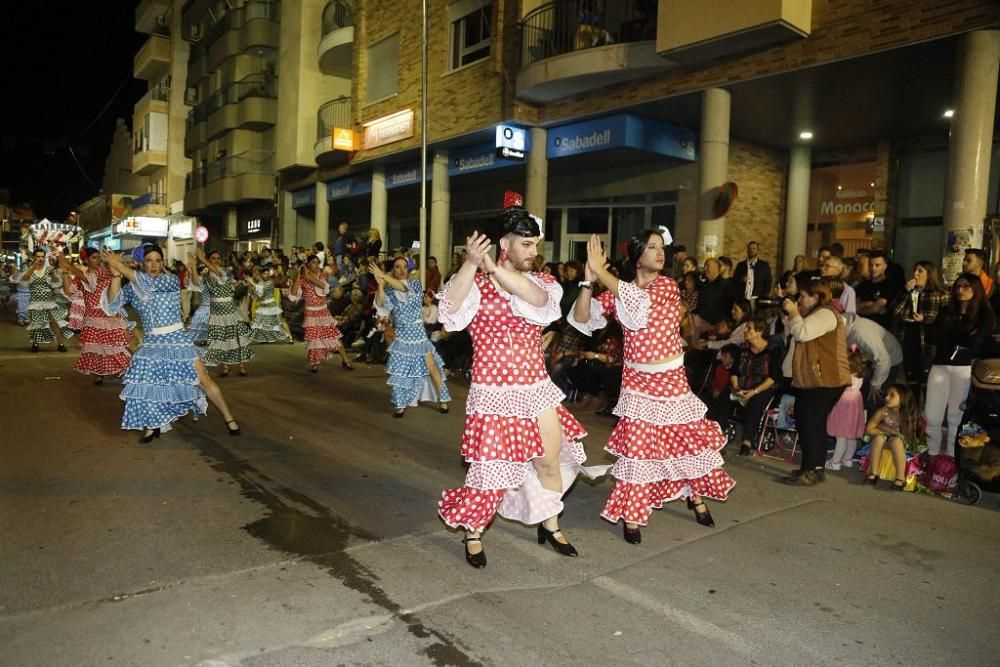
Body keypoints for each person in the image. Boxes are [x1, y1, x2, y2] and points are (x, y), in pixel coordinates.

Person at [437, 208, 606, 568]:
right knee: (490, 473)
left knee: (548, 461)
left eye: (535, 244)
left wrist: (494, 269)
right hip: (494, 395)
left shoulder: (543, 282)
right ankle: (474, 532)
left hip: (536, 389)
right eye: (526, 244)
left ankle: (550, 525)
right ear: (504, 243)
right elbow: (448, 311)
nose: (533, 251)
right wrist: (470, 264)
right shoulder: (476, 285)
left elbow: (539, 301)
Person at [572, 230, 733, 544]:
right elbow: (581, 318)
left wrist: (602, 272)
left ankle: (695, 495)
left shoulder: (667, 287)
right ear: (637, 256)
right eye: (652, 247)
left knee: (685, 442)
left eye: (662, 247)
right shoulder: (621, 291)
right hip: (637, 384)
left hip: (670, 380)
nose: (660, 253)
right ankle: (632, 514)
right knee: (639, 451)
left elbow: (638, 301)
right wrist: (588, 280)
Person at [100, 245, 241, 443]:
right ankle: (151, 427)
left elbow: (146, 282)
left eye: (158, 260)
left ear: (163, 262)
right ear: (143, 263)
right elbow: (112, 305)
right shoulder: (133, 286)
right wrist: (115, 274)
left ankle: (229, 418)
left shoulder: (170, 280)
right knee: (148, 386)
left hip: (177, 340)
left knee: (203, 380)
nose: (154, 265)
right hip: (151, 343)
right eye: (149, 260)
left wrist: (116, 263)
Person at [781, 278, 850, 485]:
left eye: (803, 296)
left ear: (818, 297)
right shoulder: (817, 314)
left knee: (809, 422)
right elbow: (796, 337)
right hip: (817, 379)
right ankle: (813, 468)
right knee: (813, 423)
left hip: (826, 379)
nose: (799, 300)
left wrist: (793, 312)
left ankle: (810, 471)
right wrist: (791, 320)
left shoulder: (827, 313)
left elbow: (803, 333)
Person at [370, 256, 451, 417]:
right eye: (397, 267)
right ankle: (400, 404)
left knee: (431, 367)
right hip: (402, 336)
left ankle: (443, 398)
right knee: (399, 372)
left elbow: (403, 288)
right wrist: (380, 284)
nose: (401, 270)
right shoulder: (389, 290)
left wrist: (383, 276)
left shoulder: (415, 284)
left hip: (418, 335)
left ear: (408, 270)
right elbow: (380, 304)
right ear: (393, 269)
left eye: (404, 267)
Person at [924, 274, 995, 456]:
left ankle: (951, 459)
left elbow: (975, 343)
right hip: (940, 365)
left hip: (964, 368)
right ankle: (932, 456)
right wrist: (959, 337)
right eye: (958, 286)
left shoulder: (984, 315)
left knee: (955, 417)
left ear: (976, 289)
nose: (960, 290)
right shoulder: (947, 311)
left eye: (966, 286)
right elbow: (932, 337)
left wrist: (948, 335)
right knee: (932, 416)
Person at [57, 248, 132, 384]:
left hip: (109, 315)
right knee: (97, 348)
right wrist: (65, 271)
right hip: (92, 318)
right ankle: (100, 373)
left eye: (98, 257)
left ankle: (131, 372)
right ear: (86, 260)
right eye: (94, 257)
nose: (98, 260)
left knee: (117, 347)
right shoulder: (81, 276)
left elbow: (90, 280)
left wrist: (69, 266)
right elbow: (69, 291)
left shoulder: (103, 272)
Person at [288, 256, 355, 373]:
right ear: (308, 264)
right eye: (313, 262)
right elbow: (293, 294)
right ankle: (314, 363)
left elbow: (324, 288)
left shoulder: (323, 276)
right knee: (314, 338)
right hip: (311, 312)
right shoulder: (303, 279)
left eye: (318, 262)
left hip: (323, 311)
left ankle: (345, 359)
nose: (316, 265)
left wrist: (307, 276)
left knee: (333, 335)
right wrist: (299, 275)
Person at [197, 249, 254, 377]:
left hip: (229, 309)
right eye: (213, 258)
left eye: (218, 258)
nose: (216, 260)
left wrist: (202, 259)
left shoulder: (225, 271)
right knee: (220, 338)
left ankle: (241, 365)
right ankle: (225, 366)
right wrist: (192, 265)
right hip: (216, 311)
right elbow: (196, 284)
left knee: (237, 337)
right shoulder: (206, 275)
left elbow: (218, 273)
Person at [891, 261, 948, 388]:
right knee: (911, 380)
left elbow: (945, 320)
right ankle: (913, 405)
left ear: (929, 275)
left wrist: (925, 318)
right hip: (909, 338)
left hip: (928, 342)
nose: (915, 274)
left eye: (920, 271)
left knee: (927, 381)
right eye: (915, 270)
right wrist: (906, 292)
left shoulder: (940, 295)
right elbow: (896, 311)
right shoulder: (910, 292)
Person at [732, 317, 783, 456]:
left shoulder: (772, 350)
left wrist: (753, 391)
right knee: (725, 396)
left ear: (759, 332)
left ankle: (747, 442)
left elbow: (773, 377)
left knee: (755, 402)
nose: (745, 331)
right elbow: (735, 371)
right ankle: (714, 434)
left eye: (749, 328)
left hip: (763, 388)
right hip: (742, 385)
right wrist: (736, 387)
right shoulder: (743, 349)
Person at [863, 384, 922, 490]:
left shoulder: (908, 414)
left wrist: (883, 427)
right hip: (886, 440)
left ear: (903, 398)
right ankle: (873, 472)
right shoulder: (882, 411)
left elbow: (906, 435)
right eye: (886, 395)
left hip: (903, 443)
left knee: (896, 442)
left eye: (892, 395)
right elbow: (869, 429)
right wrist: (888, 430)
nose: (886, 397)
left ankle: (900, 478)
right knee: (878, 438)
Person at [825, 347, 871, 471]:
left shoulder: (845, 375)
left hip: (844, 403)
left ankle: (835, 462)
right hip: (856, 402)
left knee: (841, 435)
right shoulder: (862, 375)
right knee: (852, 434)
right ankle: (848, 459)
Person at [21, 248, 72, 353]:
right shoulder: (30, 269)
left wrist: (52, 274)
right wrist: (33, 268)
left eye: (42, 256)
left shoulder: (48, 269)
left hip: (49, 301)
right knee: (37, 323)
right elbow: (24, 279)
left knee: (54, 322)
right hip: (35, 302)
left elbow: (56, 282)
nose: (40, 259)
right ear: (33, 257)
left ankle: (61, 344)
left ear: (45, 257)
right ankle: (35, 344)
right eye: (38, 256)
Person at [245, 266, 292, 344]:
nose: (266, 275)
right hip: (263, 306)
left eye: (267, 274)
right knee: (261, 323)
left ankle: (290, 337)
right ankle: (265, 339)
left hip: (271, 305)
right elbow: (255, 295)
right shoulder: (260, 283)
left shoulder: (270, 282)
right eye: (264, 274)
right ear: (261, 275)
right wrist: (250, 285)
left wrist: (251, 282)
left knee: (280, 321)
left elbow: (262, 289)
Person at [856, 251, 902, 329]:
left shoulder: (889, 285)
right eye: (871, 265)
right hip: (860, 327)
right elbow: (854, 306)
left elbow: (876, 308)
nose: (873, 268)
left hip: (879, 329)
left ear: (885, 266)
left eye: (877, 265)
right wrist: (868, 304)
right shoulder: (863, 284)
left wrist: (860, 310)